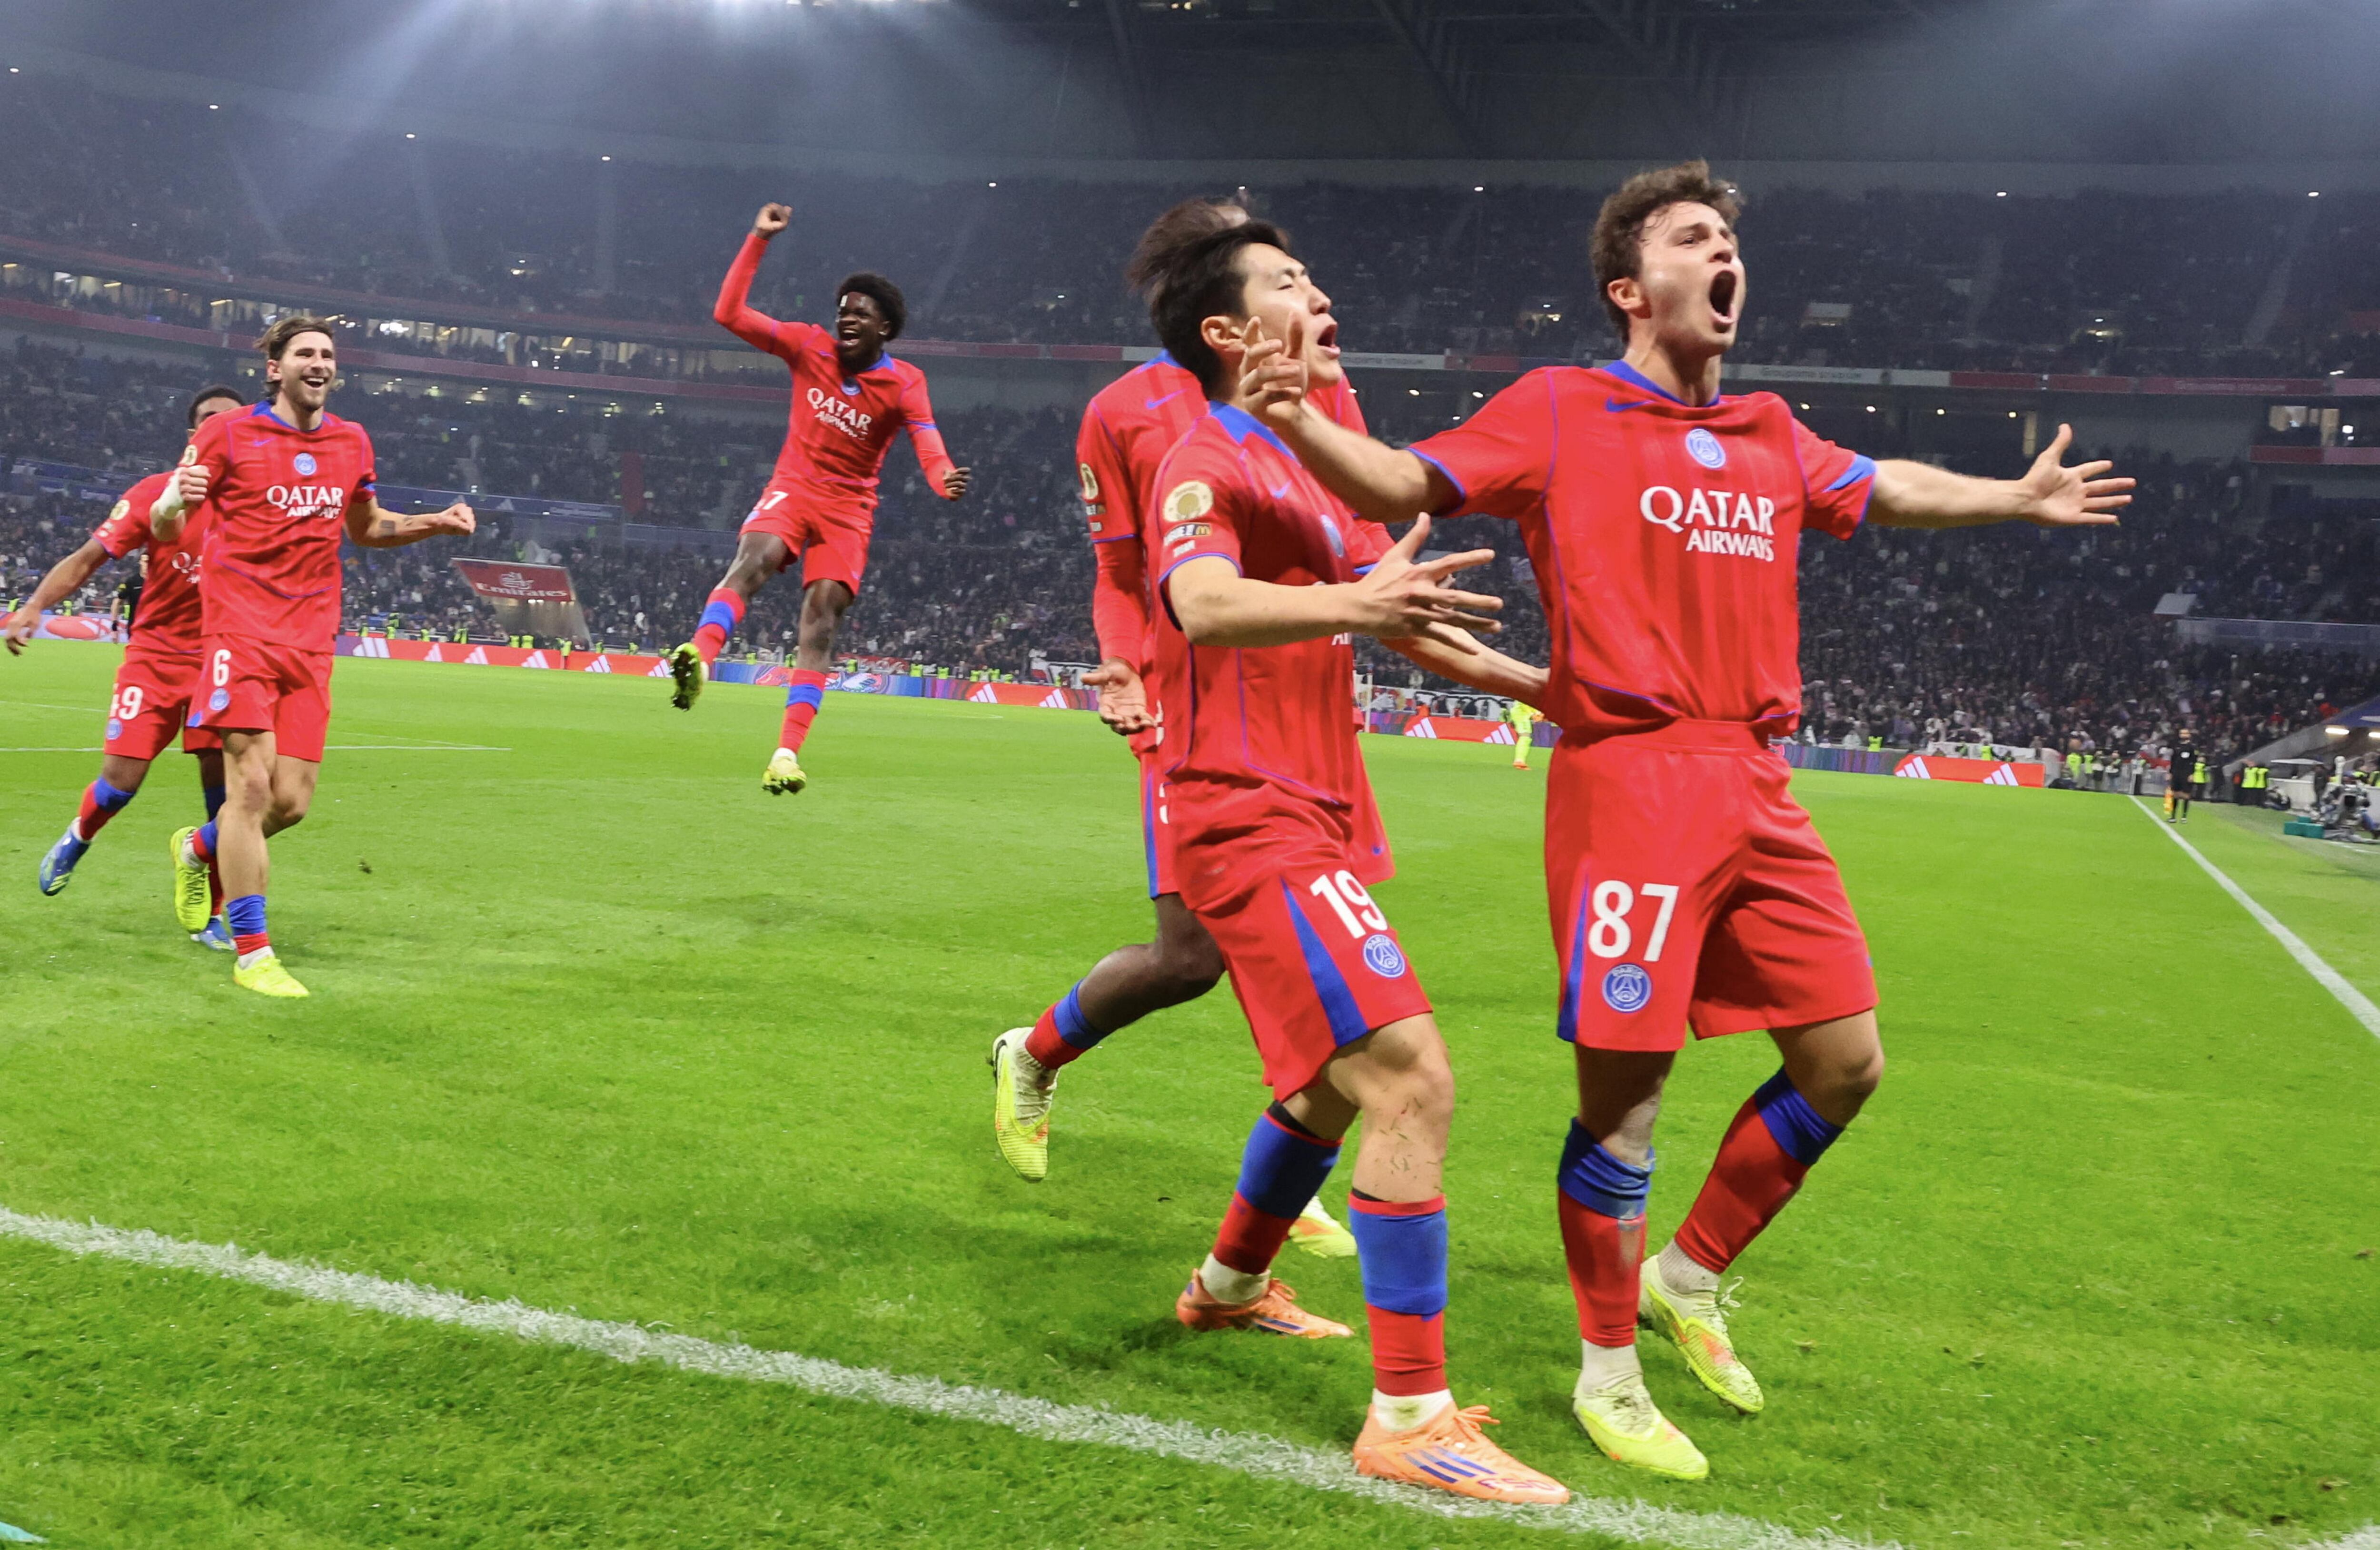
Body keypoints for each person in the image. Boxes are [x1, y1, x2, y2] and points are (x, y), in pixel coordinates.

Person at [1250, 159, 2131, 1481]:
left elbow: (1880, 484)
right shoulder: (1561, 408)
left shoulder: (1775, 428)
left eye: (1731, 238)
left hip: (1760, 782)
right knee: (1629, 1100)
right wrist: (1307, 415)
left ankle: (1690, 1272)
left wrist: (2011, 498)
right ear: (1630, 286)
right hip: (1633, 778)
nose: (1727, 256)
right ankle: (1607, 1373)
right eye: (1694, 236)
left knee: (1846, 1060)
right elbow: (1395, 484)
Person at [1130, 217, 1566, 1506]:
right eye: (1286, 283)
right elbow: (1200, 604)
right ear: (1226, 334)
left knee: (1328, 1087)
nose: (1320, 295)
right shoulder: (1202, 455)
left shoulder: (1311, 471)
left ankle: (1227, 1288)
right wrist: (1356, 605)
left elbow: (1405, 622)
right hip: (1239, 812)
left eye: (1316, 275)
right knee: (1412, 1079)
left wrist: (1550, 690)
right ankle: (1410, 1416)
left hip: (1306, 814)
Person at [987, 200, 1374, 1271]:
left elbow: (1359, 525)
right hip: (1192, 705)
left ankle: (1280, 1180)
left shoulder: (1319, 382)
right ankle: (1036, 1048)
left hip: (1303, 712)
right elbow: (1120, 573)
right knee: (1195, 953)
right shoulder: (1123, 411)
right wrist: (1122, 662)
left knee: (1285, 941)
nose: (1299, 286)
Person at [167, 316, 476, 997]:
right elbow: (167, 521)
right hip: (238, 630)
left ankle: (198, 847)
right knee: (249, 787)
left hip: (310, 639)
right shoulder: (227, 432)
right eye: (304, 352)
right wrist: (174, 501)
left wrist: (435, 522)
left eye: (328, 355)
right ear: (273, 368)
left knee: (291, 802)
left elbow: (366, 528)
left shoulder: (351, 441)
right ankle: (253, 952)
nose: (319, 362)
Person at [666, 203, 971, 796]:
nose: (845, 319)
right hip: (794, 486)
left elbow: (927, 438)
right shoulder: (809, 347)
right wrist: (757, 238)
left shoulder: (905, 381)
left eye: (860, 313)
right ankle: (699, 657)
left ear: (886, 328)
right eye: (842, 311)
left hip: (849, 508)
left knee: (822, 619)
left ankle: (785, 753)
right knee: (755, 558)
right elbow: (728, 313)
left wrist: (942, 478)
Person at [6, 385, 246, 935]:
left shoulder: (257, 503)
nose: (221, 427)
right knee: (119, 784)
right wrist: (35, 607)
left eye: (233, 421)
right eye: (210, 419)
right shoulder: (154, 494)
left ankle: (212, 913)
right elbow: (89, 557)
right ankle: (79, 836)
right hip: (157, 658)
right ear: (194, 436)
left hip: (225, 664)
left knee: (227, 800)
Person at [1506, 697, 1543, 770]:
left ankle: (1520, 760)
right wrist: (1534, 715)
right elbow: (1523, 702)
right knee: (1525, 737)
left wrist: (1538, 714)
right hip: (1520, 714)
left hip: (1522, 715)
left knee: (1526, 737)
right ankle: (1519, 761)